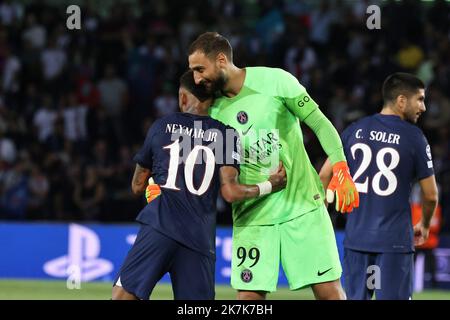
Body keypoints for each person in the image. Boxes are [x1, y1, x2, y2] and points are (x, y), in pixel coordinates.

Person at [188, 32, 359, 300]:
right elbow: (197, 164)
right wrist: (164, 189)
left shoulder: (276, 80)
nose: (197, 78)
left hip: (302, 207)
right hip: (251, 217)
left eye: (200, 69)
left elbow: (319, 123)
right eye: (193, 72)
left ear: (221, 60)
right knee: (248, 300)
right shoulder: (210, 109)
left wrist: (341, 167)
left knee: (329, 293)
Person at [111, 70, 287, 300]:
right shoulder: (226, 135)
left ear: (183, 98)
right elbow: (231, 193)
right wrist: (270, 185)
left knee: (123, 297)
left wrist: (154, 184)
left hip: (159, 227)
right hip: (199, 239)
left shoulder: (163, 125)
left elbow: (137, 185)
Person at [319, 73, 439, 300]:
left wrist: (320, 219)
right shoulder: (414, 137)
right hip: (394, 244)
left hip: (356, 241)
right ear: (402, 101)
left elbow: (324, 175)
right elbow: (431, 195)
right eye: (420, 99)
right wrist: (423, 224)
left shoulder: (354, 130)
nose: (423, 107)